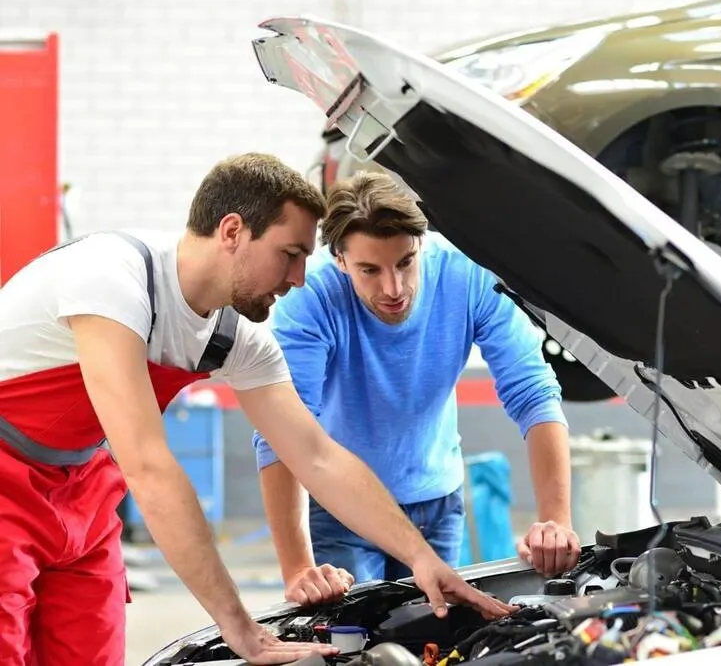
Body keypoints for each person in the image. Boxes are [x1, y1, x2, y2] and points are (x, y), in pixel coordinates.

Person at [0, 153, 511, 666]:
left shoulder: (235, 338)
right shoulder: (112, 279)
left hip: (82, 492)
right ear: (232, 231)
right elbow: (148, 467)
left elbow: (317, 456)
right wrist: (239, 627)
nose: (299, 278)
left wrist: (422, 558)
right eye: (289, 254)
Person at [252, 170, 582, 601]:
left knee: (437, 630)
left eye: (405, 262)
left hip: (437, 504)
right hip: (341, 512)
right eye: (369, 270)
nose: (394, 288)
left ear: (421, 242)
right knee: (357, 634)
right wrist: (298, 568)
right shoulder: (311, 298)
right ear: (339, 260)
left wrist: (556, 521)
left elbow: (533, 391)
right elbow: (282, 433)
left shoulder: (470, 276)